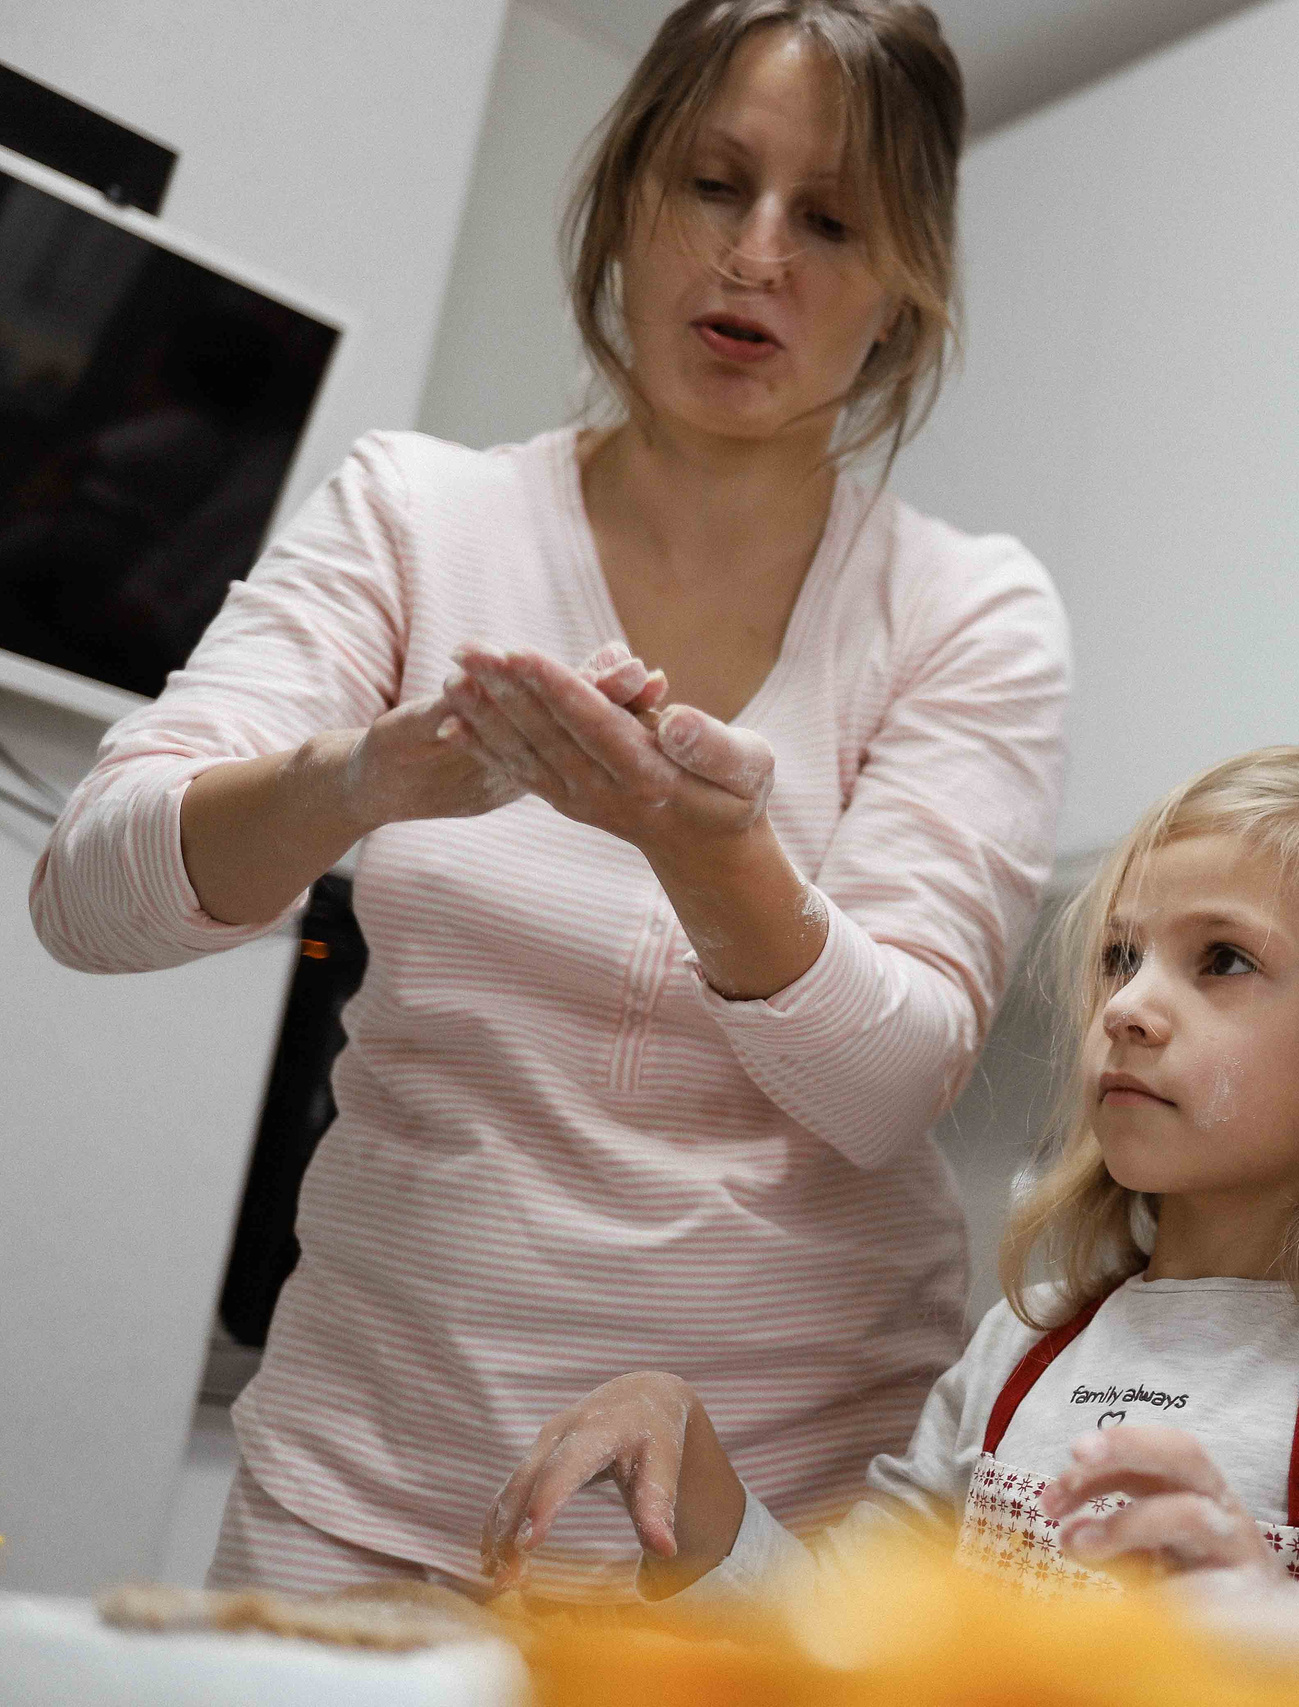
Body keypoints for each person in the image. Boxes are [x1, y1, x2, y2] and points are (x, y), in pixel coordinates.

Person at [31, 0, 1070, 1598]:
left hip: (756, 1540)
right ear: (627, 197)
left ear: (901, 292)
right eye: (714, 184)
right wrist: (367, 773)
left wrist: (711, 852)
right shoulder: (413, 513)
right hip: (360, 1498)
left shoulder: (967, 611)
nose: (758, 254)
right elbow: (89, 892)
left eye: (833, 216)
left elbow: (890, 1081)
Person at [480, 748, 1299, 1599]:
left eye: (1223, 961)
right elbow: (852, 1647)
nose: (1129, 1007)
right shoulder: (1024, 1345)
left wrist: (1273, 1636)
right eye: (1120, 954)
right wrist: (688, 1458)